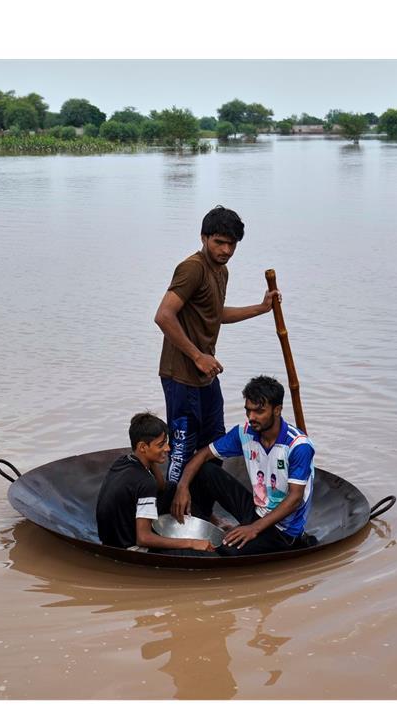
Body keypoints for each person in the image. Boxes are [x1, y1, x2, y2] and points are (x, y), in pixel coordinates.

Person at [154, 206, 280, 485]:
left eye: (231, 244)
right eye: (218, 242)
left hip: (206, 376)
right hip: (181, 376)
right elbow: (164, 315)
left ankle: (204, 509)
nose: (225, 250)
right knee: (183, 448)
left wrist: (260, 309)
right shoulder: (192, 268)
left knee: (213, 445)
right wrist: (198, 356)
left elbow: (215, 313)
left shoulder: (221, 271)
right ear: (203, 238)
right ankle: (176, 509)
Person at [172, 376, 316, 556]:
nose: (251, 417)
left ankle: (272, 539)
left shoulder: (298, 446)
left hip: (282, 529)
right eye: (248, 411)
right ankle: (201, 521)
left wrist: (253, 528)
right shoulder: (245, 432)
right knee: (205, 470)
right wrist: (182, 487)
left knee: (225, 550)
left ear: (277, 410)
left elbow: (295, 499)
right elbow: (203, 455)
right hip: (256, 509)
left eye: (259, 412)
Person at [95, 412, 216, 554]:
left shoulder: (123, 461)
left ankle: (202, 523)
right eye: (161, 445)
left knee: (171, 488)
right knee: (196, 553)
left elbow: (162, 487)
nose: (168, 448)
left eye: (166, 442)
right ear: (142, 447)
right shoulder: (145, 483)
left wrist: (151, 460)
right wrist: (191, 543)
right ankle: (203, 537)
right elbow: (143, 538)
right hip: (130, 547)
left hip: (109, 539)